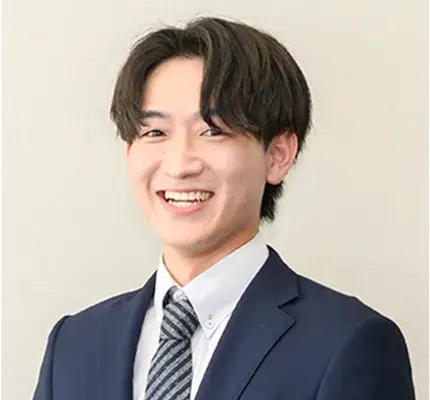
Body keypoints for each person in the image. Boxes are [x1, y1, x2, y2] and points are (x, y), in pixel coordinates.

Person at [33, 16, 415, 400]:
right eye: (155, 132)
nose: (179, 165)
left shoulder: (346, 342)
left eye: (213, 130)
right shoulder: (74, 344)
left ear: (278, 155)